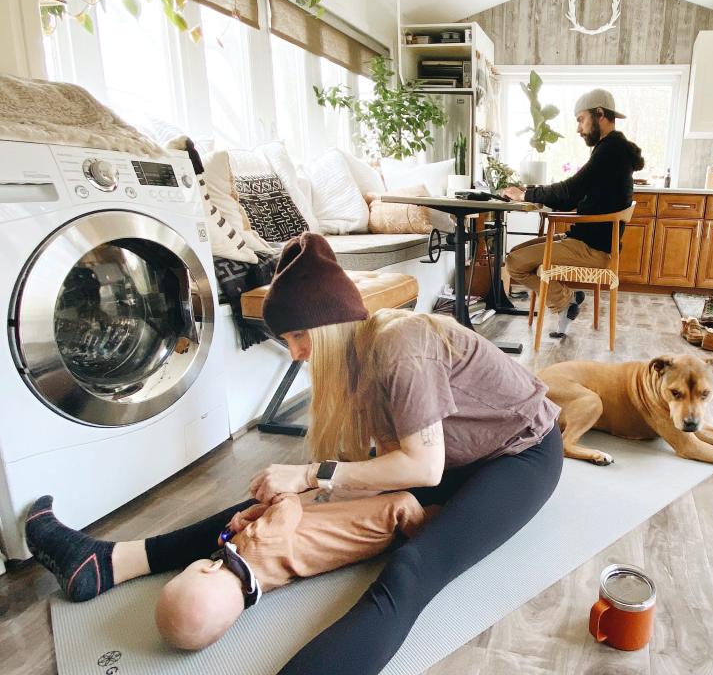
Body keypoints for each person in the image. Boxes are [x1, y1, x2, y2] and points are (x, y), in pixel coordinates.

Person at [25, 232, 563, 675]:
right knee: (273, 498)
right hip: (457, 457)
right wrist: (304, 487)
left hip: (522, 453)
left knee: (412, 570)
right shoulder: (361, 365)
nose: (298, 354)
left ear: (328, 326)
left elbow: (423, 468)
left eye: (300, 338)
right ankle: (109, 562)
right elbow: (392, 468)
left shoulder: (401, 344)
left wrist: (311, 472)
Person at [151, 490, 426, 650]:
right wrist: (277, 496)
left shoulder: (260, 582)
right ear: (209, 568)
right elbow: (289, 505)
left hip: (364, 545)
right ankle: (434, 529)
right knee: (403, 503)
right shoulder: (256, 542)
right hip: (380, 522)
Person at [503, 88, 644, 338]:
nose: (578, 128)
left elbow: (570, 191)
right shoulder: (612, 149)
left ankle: (565, 300)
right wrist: (535, 193)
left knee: (514, 264)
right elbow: (576, 195)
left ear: (599, 114)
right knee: (516, 253)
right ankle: (567, 297)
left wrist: (526, 195)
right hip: (588, 241)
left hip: (592, 249)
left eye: (581, 119)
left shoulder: (610, 151)